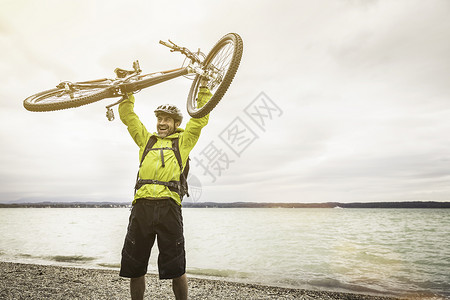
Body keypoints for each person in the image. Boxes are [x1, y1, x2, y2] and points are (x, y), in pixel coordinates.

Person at [118, 86, 211, 300]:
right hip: (141, 207)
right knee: (135, 266)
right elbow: (130, 119)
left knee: (176, 267)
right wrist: (126, 95)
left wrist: (204, 89)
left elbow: (199, 119)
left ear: (176, 124)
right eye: (159, 118)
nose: (161, 123)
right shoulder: (146, 140)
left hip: (169, 208)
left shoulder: (183, 142)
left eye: (167, 119)